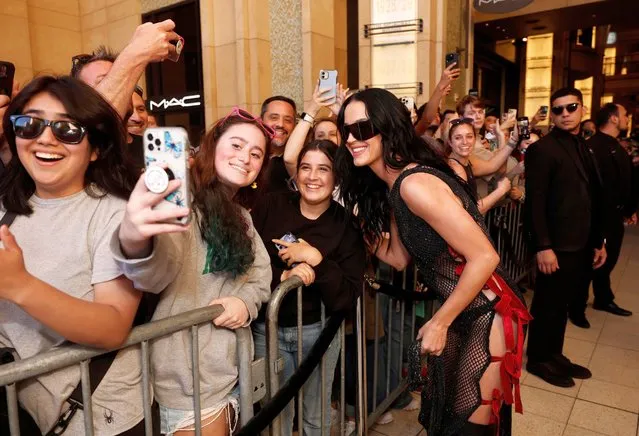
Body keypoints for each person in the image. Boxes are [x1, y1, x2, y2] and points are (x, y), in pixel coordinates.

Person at [335, 88, 531, 436]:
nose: (351, 139)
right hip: (462, 308)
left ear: (387, 127)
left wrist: (439, 322)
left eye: (362, 129)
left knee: (468, 429)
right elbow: (397, 259)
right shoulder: (395, 187)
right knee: (447, 421)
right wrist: (356, 220)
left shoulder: (414, 184)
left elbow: (485, 256)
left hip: (486, 312)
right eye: (345, 129)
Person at [112, 107, 274, 436]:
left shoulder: (242, 215)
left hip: (228, 369)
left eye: (256, 153)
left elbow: (260, 275)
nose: (246, 157)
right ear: (213, 145)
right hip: (188, 381)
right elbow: (155, 270)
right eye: (237, 145)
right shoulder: (182, 201)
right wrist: (135, 238)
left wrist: (244, 301)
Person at [0, 75, 146, 435]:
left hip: (94, 414)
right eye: (29, 124)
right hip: (25, 411)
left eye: (67, 130)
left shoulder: (115, 214)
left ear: (95, 148)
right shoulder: (7, 208)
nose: (45, 138)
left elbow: (113, 326)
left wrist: (21, 286)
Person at [251, 139, 365, 436]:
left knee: (316, 416)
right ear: (295, 173)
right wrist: (282, 276)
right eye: (305, 167)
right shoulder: (270, 205)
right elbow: (247, 263)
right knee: (275, 416)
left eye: (323, 169)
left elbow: (347, 297)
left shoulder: (346, 227)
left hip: (319, 333)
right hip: (268, 331)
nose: (313, 177)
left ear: (336, 176)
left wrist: (316, 259)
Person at [525, 87, 607, 388]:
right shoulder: (542, 150)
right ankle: (538, 359)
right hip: (556, 245)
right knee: (547, 303)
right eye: (558, 110)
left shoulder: (582, 145)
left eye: (570, 107)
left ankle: (554, 354)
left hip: (581, 241)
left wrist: (599, 241)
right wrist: (543, 247)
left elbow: (591, 196)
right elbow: (536, 202)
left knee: (563, 303)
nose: (564, 114)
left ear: (582, 109)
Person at [568, 103, 634, 327]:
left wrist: (628, 209)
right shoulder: (593, 147)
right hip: (597, 216)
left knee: (609, 259)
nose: (628, 118)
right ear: (614, 119)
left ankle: (604, 298)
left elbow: (623, 181)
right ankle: (577, 308)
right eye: (625, 114)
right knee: (590, 262)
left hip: (614, 215)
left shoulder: (615, 145)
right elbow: (596, 187)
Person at [446, 117, 518, 214]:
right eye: (458, 138)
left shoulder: (468, 160)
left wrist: (512, 140)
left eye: (469, 136)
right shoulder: (456, 168)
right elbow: (469, 212)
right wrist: (501, 191)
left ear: (475, 139)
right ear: (450, 142)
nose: (465, 142)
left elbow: (493, 166)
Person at [261, 95, 297, 193]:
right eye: (274, 118)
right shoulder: (250, 158)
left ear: (294, 126)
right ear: (261, 121)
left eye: (288, 120)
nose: (280, 124)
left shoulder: (300, 161)